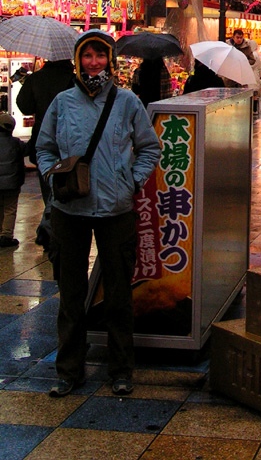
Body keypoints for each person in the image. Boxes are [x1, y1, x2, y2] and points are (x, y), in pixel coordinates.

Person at [37, 30, 160, 398]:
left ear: (110, 60)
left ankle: (121, 369)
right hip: (69, 209)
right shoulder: (61, 102)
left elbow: (149, 148)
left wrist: (132, 182)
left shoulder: (127, 102)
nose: (94, 62)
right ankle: (68, 370)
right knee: (71, 294)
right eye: (87, 55)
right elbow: (43, 148)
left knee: (119, 293)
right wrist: (52, 174)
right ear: (78, 61)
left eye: (100, 55)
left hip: (115, 208)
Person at [16, 57, 75, 250]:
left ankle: (50, 225)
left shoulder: (37, 78)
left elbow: (24, 106)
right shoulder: (73, 80)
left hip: (43, 138)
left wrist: (31, 83)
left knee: (48, 187)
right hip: (70, 140)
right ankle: (56, 226)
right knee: (70, 187)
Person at [0, 114, 27, 248]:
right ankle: (6, 235)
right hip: (12, 183)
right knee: (10, 209)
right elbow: (27, 150)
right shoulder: (16, 143)